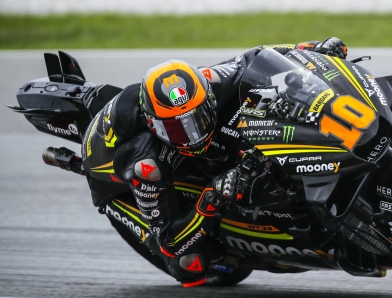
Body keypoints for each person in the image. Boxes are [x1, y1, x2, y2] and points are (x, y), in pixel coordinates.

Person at [81, 37, 347, 287]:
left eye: (198, 119)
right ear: (154, 125)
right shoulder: (147, 163)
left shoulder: (213, 79)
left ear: (207, 96)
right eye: (177, 129)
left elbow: (257, 57)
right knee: (189, 265)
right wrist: (212, 196)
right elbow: (168, 241)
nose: (192, 135)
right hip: (111, 178)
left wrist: (312, 47)